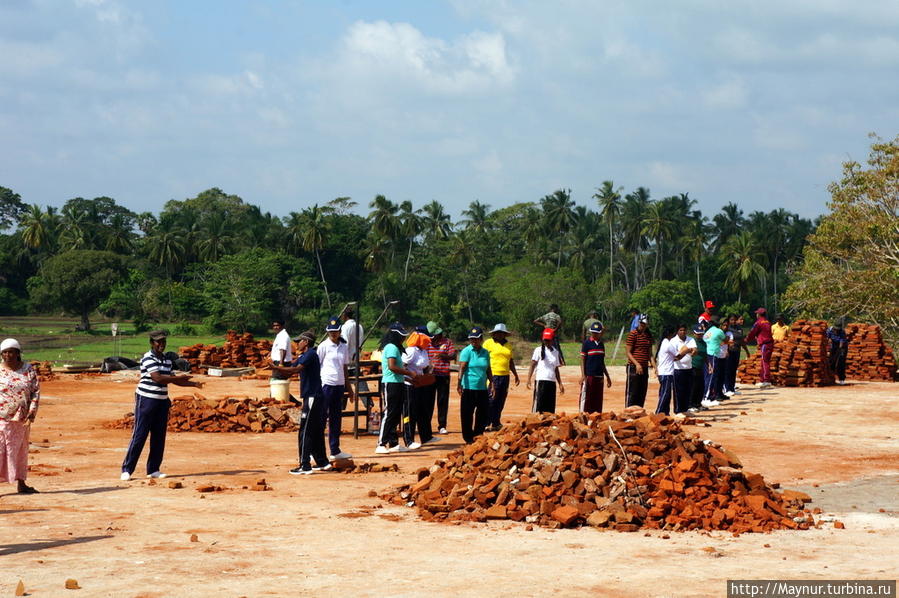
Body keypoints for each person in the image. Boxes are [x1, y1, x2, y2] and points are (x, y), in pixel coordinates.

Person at [121, 330, 202, 481]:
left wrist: (193, 383)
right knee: (140, 434)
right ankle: (127, 469)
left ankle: (153, 469)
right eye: (158, 342)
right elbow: (158, 378)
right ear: (152, 343)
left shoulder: (167, 360)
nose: (161, 345)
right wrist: (178, 377)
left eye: (163, 342)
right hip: (146, 400)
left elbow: (172, 379)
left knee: (159, 436)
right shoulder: (148, 358)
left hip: (162, 401)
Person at [273, 330, 329, 474]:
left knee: (305, 431)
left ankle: (304, 465)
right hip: (312, 397)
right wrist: (278, 368)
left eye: (299, 341)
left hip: (312, 397)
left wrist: (276, 368)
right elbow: (290, 369)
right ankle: (322, 461)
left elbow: (297, 369)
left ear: (306, 342)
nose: (297, 344)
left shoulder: (310, 354)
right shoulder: (304, 355)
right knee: (315, 430)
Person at [0, 338, 40, 494]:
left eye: (11, 352)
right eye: (5, 352)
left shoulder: (28, 370)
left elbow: (35, 391)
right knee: (1, 450)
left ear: (18, 353)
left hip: (21, 418)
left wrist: (31, 413)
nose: (8, 355)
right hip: (2, 417)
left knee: (20, 450)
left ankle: (21, 483)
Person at [376, 323, 419, 453]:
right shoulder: (391, 347)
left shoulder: (395, 348)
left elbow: (396, 372)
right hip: (391, 384)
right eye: (401, 336)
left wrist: (408, 378)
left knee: (395, 414)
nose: (403, 339)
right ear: (395, 335)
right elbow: (392, 367)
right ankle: (381, 443)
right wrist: (410, 373)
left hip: (397, 383)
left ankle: (393, 443)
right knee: (389, 413)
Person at [317, 317, 355, 461]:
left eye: (336, 331)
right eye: (331, 332)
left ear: (340, 331)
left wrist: (349, 389)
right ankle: (318, 451)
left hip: (339, 386)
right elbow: (317, 366)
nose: (333, 334)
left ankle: (335, 450)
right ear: (327, 332)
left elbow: (345, 368)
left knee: (336, 419)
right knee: (321, 419)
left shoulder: (343, 347)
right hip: (326, 384)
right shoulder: (323, 346)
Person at [402, 328, 436, 448]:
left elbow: (424, 367)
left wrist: (430, 370)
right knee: (410, 412)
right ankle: (409, 439)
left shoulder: (424, 351)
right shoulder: (411, 351)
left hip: (421, 384)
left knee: (423, 411)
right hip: (410, 385)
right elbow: (402, 367)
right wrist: (410, 378)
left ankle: (426, 437)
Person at [457, 326, 492, 443]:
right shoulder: (466, 351)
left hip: (482, 388)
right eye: (471, 339)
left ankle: (478, 435)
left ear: (481, 339)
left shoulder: (485, 353)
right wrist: (459, 383)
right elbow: (462, 367)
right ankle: (468, 438)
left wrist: (492, 382)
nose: (473, 341)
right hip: (469, 388)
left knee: (483, 413)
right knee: (467, 414)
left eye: (476, 339)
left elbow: (488, 369)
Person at [482, 323, 520, 430]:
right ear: (494, 334)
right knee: (491, 399)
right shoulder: (488, 343)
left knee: (501, 400)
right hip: (493, 375)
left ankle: (496, 423)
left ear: (504, 334)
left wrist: (516, 374)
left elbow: (510, 361)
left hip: (505, 376)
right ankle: (485, 423)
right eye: (497, 333)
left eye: (501, 333)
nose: (499, 335)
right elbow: (483, 358)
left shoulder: (508, 345)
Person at [426, 321, 455, 434]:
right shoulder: (427, 343)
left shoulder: (447, 342)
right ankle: (426, 424)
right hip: (430, 375)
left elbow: (453, 355)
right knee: (428, 400)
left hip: (443, 375)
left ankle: (442, 425)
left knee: (442, 400)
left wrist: (442, 355)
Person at [527, 328, 565, 413]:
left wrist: (560, 383)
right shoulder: (538, 350)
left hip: (551, 381)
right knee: (539, 405)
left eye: (549, 340)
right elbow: (533, 365)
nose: (547, 342)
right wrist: (529, 379)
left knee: (550, 406)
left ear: (552, 340)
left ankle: (548, 425)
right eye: (545, 340)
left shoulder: (555, 352)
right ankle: (536, 422)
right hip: (541, 381)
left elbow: (556, 369)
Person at [579, 322, 611, 413]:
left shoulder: (601, 344)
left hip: (599, 376)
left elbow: (602, 362)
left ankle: (596, 418)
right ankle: (584, 417)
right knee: (587, 400)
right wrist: (583, 375)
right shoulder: (587, 343)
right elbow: (582, 360)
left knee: (597, 400)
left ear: (600, 333)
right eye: (593, 332)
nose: (595, 334)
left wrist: (607, 377)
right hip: (589, 376)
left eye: (597, 333)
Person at [624, 314, 655, 407]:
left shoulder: (648, 336)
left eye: (644, 324)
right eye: (641, 323)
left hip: (644, 367)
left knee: (642, 392)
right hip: (634, 367)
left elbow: (650, 354)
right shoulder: (633, 334)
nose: (643, 325)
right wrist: (637, 364)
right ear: (638, 322)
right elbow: (628, 352)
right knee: (632, 392)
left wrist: (655, 366)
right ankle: (629, 412)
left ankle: (638, 412)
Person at [669, 324, 697, 415]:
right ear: (677, 331)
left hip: (688, 368)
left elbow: (695, 351)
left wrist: (686, 351)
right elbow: (676, 356)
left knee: (688, 390)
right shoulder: (673, 341)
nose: (683, 332)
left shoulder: (690, 339)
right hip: (678, 369)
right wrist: (687, 350)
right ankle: (678, 410)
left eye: (684, 330)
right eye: (680, 330)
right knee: (678, 391)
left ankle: (685, 409)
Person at [723, 314, 751, 396]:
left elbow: (742, 341)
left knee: (733, 370)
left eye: (735, 320)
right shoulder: (727, 329)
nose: (733, 321)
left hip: (737, 351)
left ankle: (732, 388)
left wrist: (746, 351)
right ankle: (727, 388)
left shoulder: (739, 329)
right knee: (728, 370)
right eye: (731, 320)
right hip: (729, 352)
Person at [746, 308, 774, 388]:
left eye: (757, 313)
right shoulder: (768, 322)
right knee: (765, 361)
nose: (756, 315)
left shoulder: (758, 323)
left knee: (765, 362)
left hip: (765, 344)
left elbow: (752, 332)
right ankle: (763, 380)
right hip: (770, 343)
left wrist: (747, 339)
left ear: (758, 314)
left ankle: (766, 380)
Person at [701, 319, 726, 407]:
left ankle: (710, 397)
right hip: (714, 354)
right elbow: (725, 339)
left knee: (708, 376)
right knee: (711, 376)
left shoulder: (707, 332)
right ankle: (706, 398)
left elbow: (708, 340)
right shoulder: (718, 331)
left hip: (707, 354)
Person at [654, 327, 678, 415]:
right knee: (665, 393)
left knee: (664, 393)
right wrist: (687, 350)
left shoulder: (663, 343)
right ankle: (659, 411)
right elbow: (678, 355)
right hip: (667, 372)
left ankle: (665, 412)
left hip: (663, 372)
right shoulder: (668, 344)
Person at [689, 324, 708, 412]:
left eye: (701, 334)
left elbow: (705, 355)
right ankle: (691, 404)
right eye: (698, 334)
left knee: (701, 386)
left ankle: (698, 403)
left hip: (701, 367)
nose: (700, 335)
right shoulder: (691, 342)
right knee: (694, 386)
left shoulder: (704, 343)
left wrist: (709, 365)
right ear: (694, 333)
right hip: (693, 366)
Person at [826, 319, 849, 385]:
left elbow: (841, 344)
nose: (836, 331)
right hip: (834, 345)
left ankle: (842, 379)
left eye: (838, 329)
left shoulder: (842, 332)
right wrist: (826, 349)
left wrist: (838, 354)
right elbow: (826, 339)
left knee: (841, 362)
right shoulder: (829, 330)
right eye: (836, 329)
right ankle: (831, 377)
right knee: (831, 361)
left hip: (842, 347)